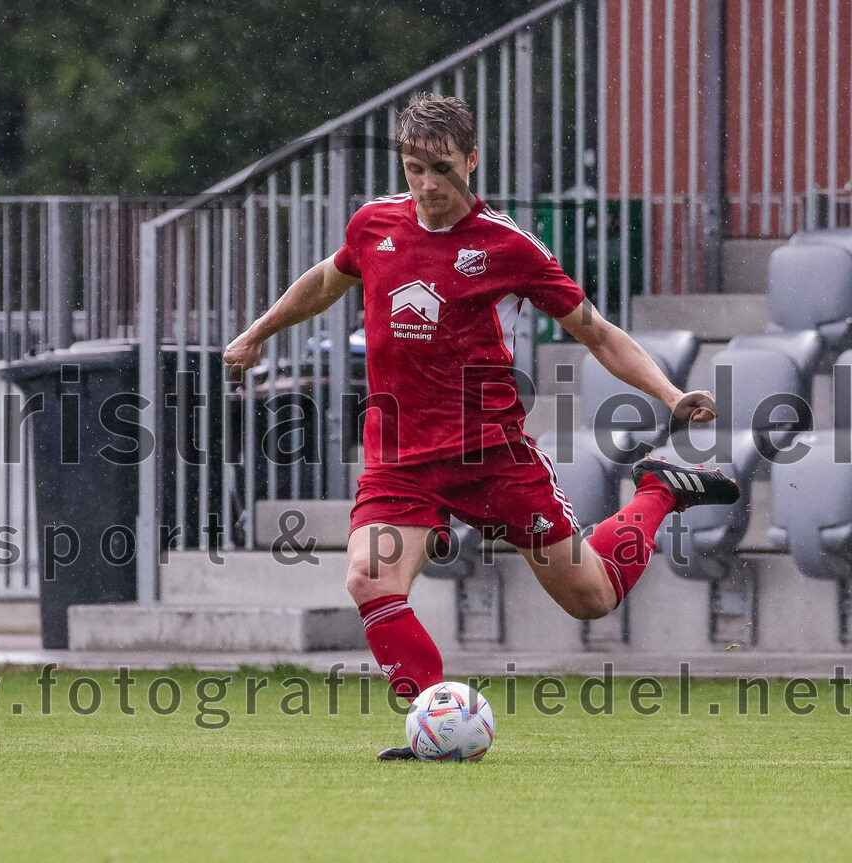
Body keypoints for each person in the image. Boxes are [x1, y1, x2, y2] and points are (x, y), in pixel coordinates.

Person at [223, 93, 740, 759]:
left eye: (441, 168)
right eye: (414, 169)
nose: (428, 185)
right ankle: (435, 723)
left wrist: (671, 395)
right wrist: (258, 332)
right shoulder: (374, 225)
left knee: (590, 597)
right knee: (368, 579)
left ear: (472, 160)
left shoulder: (508, 247)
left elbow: (598, 333)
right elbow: (327, 279)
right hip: (399, 459)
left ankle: (658, 490)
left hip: (492, 457)